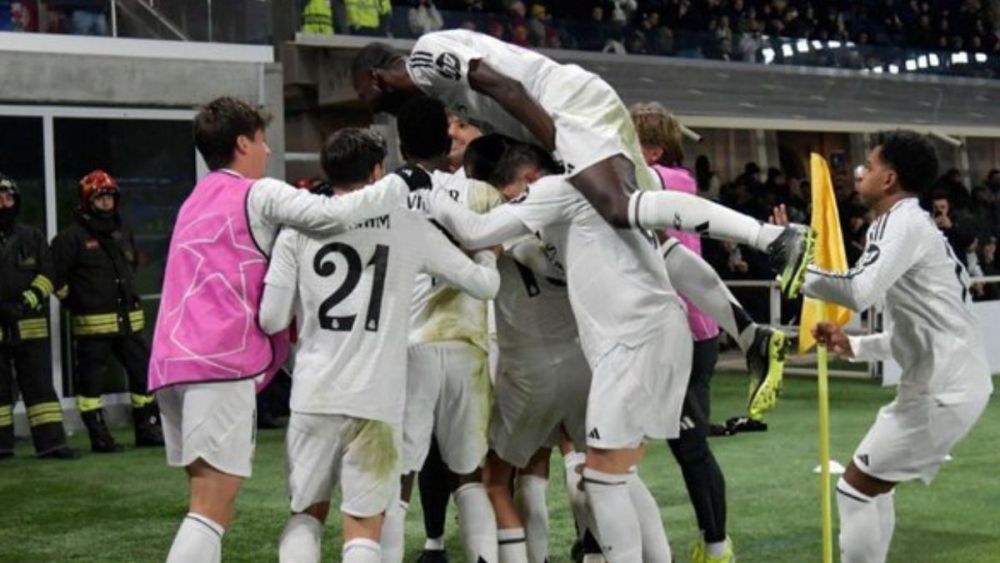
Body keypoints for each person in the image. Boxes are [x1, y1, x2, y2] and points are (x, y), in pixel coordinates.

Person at [351, 30, 815, 300]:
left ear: (375, 78)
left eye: (364, 94)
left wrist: (560, 148)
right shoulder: (437, 93)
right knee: (640, 230)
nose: (370, 107)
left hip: (565, 103)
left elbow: (507, 89)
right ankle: (749, 334)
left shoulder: (428, 55)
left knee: (619, 206)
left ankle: (773, 236)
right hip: (557, 116)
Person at [148, 97, 408, 563]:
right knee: (211, 510)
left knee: (207, 501)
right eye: (263, 141)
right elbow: (330, 215)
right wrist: (396, 186)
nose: (267, 152)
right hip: (218, 363)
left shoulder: (194, 198)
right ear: (242, 141)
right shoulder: (259, 192)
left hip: (172, 362)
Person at [428, 144, 690, 563]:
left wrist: (429, 196)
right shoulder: (579, 219)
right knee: (612, 474)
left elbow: (475, 249)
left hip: (528, 371)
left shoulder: (503, 224)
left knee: (496, 479)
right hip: (589, 366)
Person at [261, 127, 499, 563]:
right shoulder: (408, 226)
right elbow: (484, 286)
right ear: (377, 171)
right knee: (364, 527)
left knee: (305, 515)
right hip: (377, 397)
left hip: (314, 392)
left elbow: (272, 318)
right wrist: (487, 252)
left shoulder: (298, 230)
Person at [803, 130, 993, 563]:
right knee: (871, 486)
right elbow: (917, 331)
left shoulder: (899, 223)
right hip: (948, 385)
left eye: (868, 167)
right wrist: (855, 346)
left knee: (854, 487)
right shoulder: (914, 224)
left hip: (940, 391)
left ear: (888, 179)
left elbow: (858, 290)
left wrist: (797, 267)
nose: (859, 173)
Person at [379, 96, 505, 563]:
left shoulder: (383, 193)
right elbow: (501, 253)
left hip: (407, 348)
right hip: (469, 348)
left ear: (401, 142)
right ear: (447, 139)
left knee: (399, 475)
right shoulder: (478, 194)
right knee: (470, 475)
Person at [50, 169, 163, 453]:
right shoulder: (71, 238)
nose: (106, 202)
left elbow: (130, 266)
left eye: (110, 196)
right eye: (100, 197)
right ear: (87, 201)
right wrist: (75, 301)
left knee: (144, 374)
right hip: (93, 327)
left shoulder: (121, 232)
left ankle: (146, 428)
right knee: (91, 386)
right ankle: (99, 437)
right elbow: (54, 277)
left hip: (128, 324)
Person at [0, 174, 78, 461]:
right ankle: (2, 446)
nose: (3, 203)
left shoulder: (31, 237)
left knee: (40, 386)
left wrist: (26, 300)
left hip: (30, 323)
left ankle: (52, 444)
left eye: (8, 198)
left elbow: (48, 275)